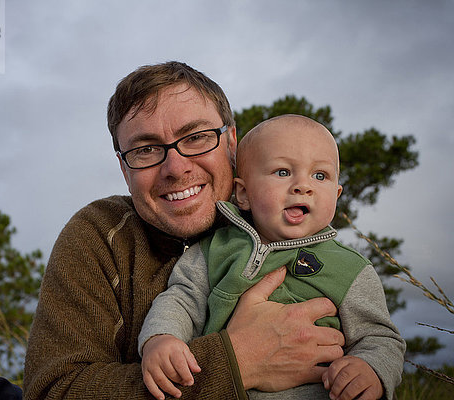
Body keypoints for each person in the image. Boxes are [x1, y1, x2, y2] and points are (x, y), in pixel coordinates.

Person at [23, 62, 347, 400]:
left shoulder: (292, 223)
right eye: (145, 149)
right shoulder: (99, 236)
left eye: (196, 138)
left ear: (231, 141)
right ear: (123, 167)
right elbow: (52, 391)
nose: (176, 168)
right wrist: (235, 361)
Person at [138, 115, 405, 400]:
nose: (303, 186)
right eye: (282, 172)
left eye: (320, 175)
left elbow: (379, 337)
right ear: (243, 194)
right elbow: (182, 297)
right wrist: (160, 338)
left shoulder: (350, 269)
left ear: (336, 195)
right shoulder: (214, 248)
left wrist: (371, 369)